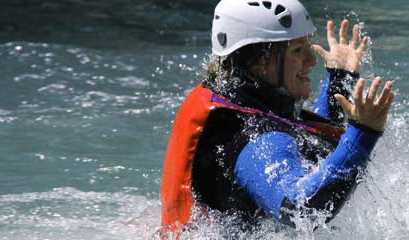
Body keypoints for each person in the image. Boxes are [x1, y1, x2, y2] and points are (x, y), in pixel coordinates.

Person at [159, 0, 395, 236]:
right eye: (297, 50)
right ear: (259, 61)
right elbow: (303, 208)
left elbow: (303, 142)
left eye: (308, 46)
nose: (312, 61)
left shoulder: (239, 103)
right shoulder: (251, 138)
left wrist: (338, 81)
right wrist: (363, 132)